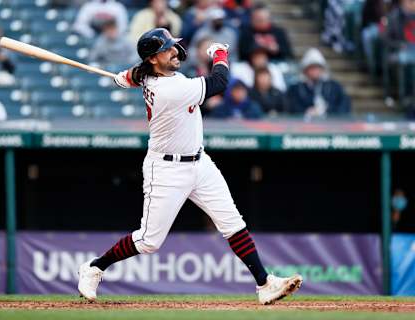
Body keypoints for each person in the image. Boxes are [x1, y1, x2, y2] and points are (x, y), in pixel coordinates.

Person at [77, 27, 303, 304]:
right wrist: (219, 53)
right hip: (166, 169)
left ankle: (264, 282)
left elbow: (132, 77)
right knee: (149, 241)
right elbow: (219, 83)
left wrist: (131, 76)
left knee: (232, 222)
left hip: (199, 162)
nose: (174, 51)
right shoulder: (171, 88)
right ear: (152, 60)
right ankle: (95, 267)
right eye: (167, 49)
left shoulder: (157, 76)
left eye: (173, 46)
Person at [285, 48, 351, 117]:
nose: (315, 71)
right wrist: (307, 112)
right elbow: (290, 108)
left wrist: (326, 112)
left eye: (317, 67)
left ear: (322, 69)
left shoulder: (334, 87)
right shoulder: (295, 89)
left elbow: (344, 106)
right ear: (305, 70)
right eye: (311, 67)